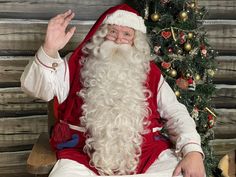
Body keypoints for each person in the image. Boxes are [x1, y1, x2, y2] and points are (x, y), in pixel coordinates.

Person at [21, 4, 205, 177]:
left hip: (147, 157)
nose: (119, 39)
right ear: (102, 33)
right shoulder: (75, 63)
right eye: (113, 31)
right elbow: (38, 90)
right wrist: (49, 49)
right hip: (83, 157)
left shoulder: (150, 73)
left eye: (127, 34)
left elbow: (176, 113)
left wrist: (192, 150)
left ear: (136, 40)